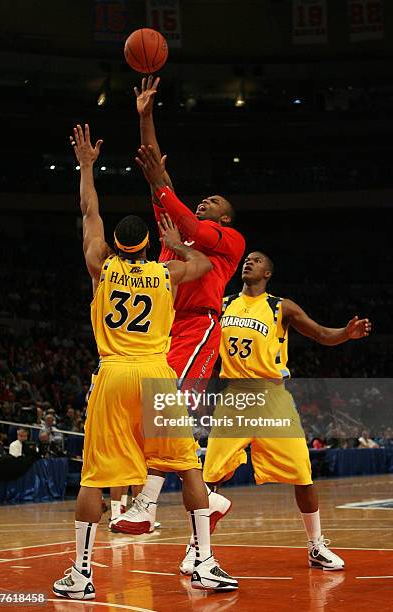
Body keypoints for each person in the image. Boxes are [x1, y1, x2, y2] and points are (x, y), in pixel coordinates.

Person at [52, 124, 238, 600]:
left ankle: (81, 573)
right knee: (189, 469)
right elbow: (201, 266)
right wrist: (176, 245)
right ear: (147, 247)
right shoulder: (167, 273)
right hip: (157, 371)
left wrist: (88, 165)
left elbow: (88, 209)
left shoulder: (101, 263)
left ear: (115, 243)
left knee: (94, 478)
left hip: (114, 373)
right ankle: (206, 562)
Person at [181, 251, 371, 574]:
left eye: (256, 260)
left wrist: (345, 334)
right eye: (247, 260)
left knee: (303, 474)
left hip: (272, 398)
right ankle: (197, 549)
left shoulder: (280, 306)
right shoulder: (224, 303)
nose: (249, 262)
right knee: (209, 478)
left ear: (268, 273)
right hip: (235, 398)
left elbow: (320, 334)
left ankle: (316, 546)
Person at [117, 76, 245, 532]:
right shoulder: (177, 232)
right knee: (158, 414)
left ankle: (147, 506)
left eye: (213, 201)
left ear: (224, 217)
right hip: (164, 331)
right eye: (202, 200)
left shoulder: (227, 241)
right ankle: (207, 499)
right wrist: (146, 117)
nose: (204, 201)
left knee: (169, 411)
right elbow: (159, 178)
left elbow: (190, 226)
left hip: (200, 327)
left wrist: (165, 193)